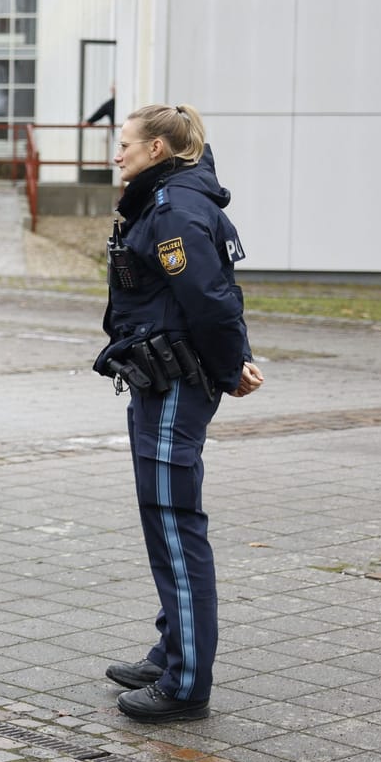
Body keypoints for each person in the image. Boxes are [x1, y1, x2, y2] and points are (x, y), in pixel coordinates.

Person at [95, 103, 262, 724]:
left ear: (159, 149)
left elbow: (213, 301)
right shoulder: (164, 201)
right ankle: (171, 652)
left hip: (176, 383)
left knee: (174, 522)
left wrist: (228, 365)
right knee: (161, 519)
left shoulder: (175, 211)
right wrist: (232, 359)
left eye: (126, 143)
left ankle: (187, 681)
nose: (119, 154)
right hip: (159, 377)